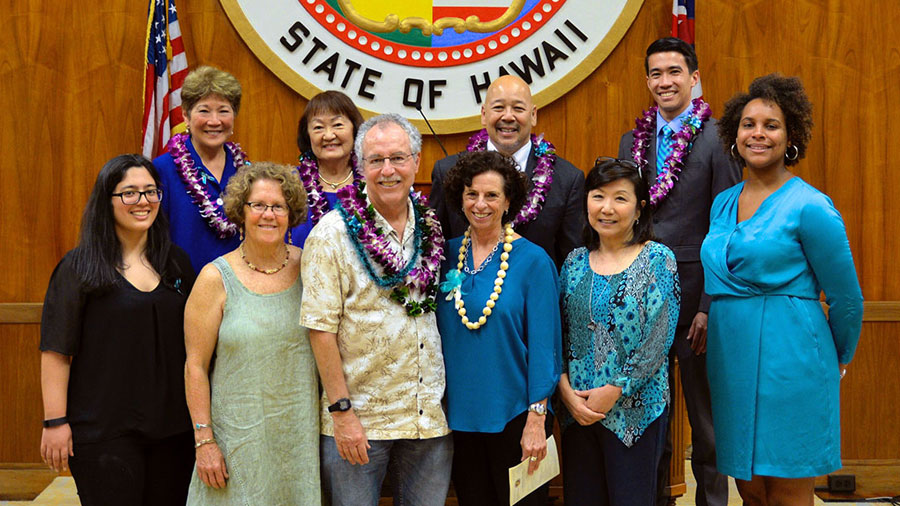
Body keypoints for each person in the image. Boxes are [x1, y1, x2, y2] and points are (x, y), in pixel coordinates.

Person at [700, 74, 864, 505]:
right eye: (748, 124)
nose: (758, 134)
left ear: (790, 136)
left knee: (786, 487)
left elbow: (847, 298)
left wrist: (838, 357)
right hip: (730, 358)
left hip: (791, 361)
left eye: (771, 125)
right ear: (734, 134)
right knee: (749, 487)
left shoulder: (810, 206)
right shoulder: (722, 202)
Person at [300, 113, 451, 506]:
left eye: (398, 158)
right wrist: (342, 412)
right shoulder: (331, 234)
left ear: (416, 162)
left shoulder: (431, 227)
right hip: (360, 422)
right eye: (376, 160)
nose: (388, 170)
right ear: (360, 165)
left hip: (427, 418)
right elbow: (319, 329)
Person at [617, 37, 740, 506]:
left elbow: (725, 224)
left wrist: (710, 304)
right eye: (655, 74)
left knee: (707, 426)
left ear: (693, 77)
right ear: (647, 81)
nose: (664, 82)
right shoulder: (633, 140)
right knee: (650, 418)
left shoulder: (717, 138)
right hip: (643, 305)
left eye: (673, 72)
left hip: (696, 307)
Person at [39, 154, 195, 505]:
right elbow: (56, 351)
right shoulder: (79, 268)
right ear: (106, 200)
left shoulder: (177, 262)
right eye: (129, 193)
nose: (142, 202)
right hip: (104, 432)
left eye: (150, 192)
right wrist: (54, 422)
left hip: (173, 431)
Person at [183, 162, 319, 504]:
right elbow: (195, 366)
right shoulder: (215, 278)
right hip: (235, 445)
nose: (268, 214)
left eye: (278, 206)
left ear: (292, 214)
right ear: (240, 211)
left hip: (298, 442)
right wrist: (204, 441)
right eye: (258, 205)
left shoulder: (312, 269)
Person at [436, 150, 561, 506]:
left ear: (508, 201)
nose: (480, 204)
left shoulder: (534, 261)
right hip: (458, 417)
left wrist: (537, 421)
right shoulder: (444, 255)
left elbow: (544, 348)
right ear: (460, 198)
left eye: (491, 195)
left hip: (516, 418)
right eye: (472, 194)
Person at [557, 157, 679, 506]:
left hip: (635, 414)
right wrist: (565, 390)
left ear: (639, 209)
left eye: (620, 198)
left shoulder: (658, 259)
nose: (606, 208)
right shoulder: (573, 262)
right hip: (578, 413)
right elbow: (559, 336)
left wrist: (616, 389)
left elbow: (659, 339)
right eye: (598, 196)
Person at [430, 74, 585, 269]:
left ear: (533, 115)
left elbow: (572, 266)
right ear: (484, 114)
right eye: (499, 108)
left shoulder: (568, 180)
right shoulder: (447, 173)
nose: (508, 116)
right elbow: (435, 252)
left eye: (518, 108)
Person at [154, 65, 249, 273]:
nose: (214, 121)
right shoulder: (162, 170)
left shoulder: (247, 172)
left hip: (237, 291)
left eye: (223, 111)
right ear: (186, 116)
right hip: (182, 292)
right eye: (204, 111)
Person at [291, 90, 365, 247]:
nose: (329, 135)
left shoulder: (372, 182)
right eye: (318, 128)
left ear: (355, 129)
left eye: (337, 125)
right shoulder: (289, 185)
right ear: (307, 135)